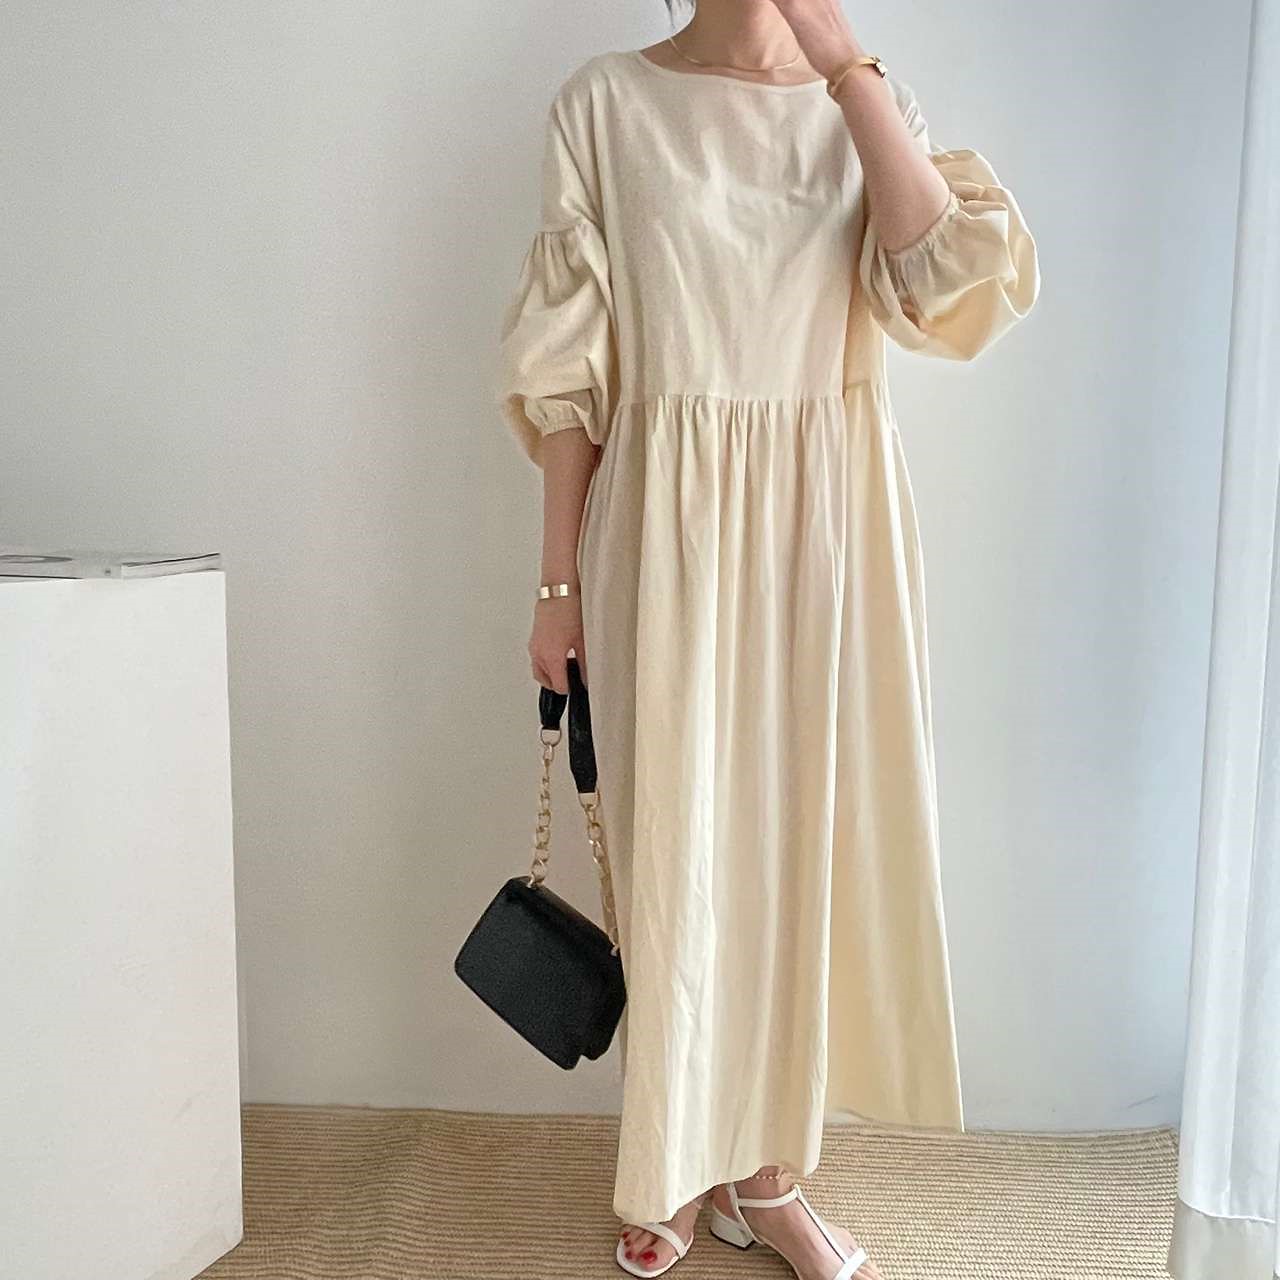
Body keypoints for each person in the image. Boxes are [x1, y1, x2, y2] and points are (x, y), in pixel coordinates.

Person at [496, 1, 1040, 1276]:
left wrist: (842, 63)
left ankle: (767, 1176)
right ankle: (675, 1154)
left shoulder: (862, 100)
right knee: (675, 842)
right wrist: (555, 583)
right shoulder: (605, 104)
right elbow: (569, 374)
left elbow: (943, 285)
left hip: (824, 528)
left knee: (799, 848)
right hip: (663, 525)